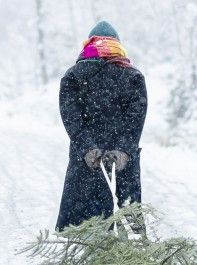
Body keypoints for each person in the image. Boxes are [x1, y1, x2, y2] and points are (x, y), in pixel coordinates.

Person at [56, 21, 148, 231]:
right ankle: (133, 256)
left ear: (89, 44)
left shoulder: (73, 76)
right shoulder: (133, 76)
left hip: (87, 158)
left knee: (89, 224)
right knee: (128, 213)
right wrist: (123, 149)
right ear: (117, 44)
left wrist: (88, 147)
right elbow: (136, 117)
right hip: (123, 160)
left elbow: (71, 117)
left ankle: (94, 256)